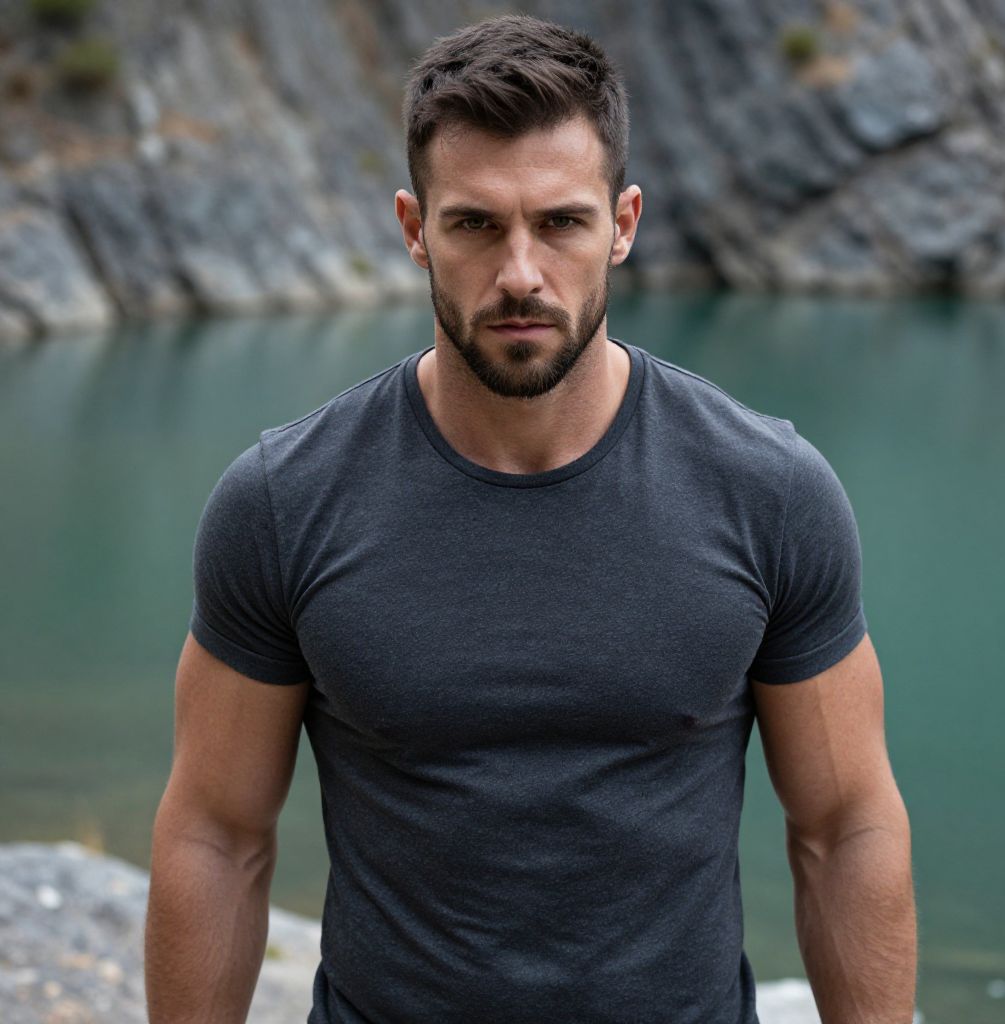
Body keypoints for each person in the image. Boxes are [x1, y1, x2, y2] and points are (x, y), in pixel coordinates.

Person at [145, 13, 917, 1024]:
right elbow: (216, 832)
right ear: (415, 229)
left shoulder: (766, 490)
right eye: (474, 225)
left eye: (560, 222)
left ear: (623, 223)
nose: (520, 273)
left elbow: (843, 824)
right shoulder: (284, 501)